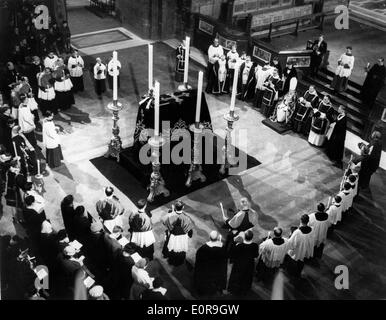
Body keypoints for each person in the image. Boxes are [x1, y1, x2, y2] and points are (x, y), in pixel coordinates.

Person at [193, 231, 227, 296]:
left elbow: (198, 262)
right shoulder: (222, 248)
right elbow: (224, 263)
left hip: (206, 272)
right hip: (217, 272)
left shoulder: (203, 248)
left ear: (210, 237)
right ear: (217, 238)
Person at [161, 200, 194, 266]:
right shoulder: (187, 218)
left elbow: (165, 223)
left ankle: (172, 260)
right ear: (183, 207)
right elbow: (189, 229)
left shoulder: (170, 217)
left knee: (173, 248)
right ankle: (180, 260)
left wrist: (171, 213)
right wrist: (190, 235)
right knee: (181, 249)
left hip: (173, 236)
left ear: (175, 208)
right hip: (183, 237)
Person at [227, 230, 259, 296]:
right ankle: (245, 290)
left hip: (239, 264)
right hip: (249, 264)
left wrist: (234, 242)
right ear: (252, 238)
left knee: (236, 277)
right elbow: (256, 255)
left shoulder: (239, 246)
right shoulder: (255, 245)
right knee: (247, 277)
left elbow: (232, 255)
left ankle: (234, 290)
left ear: (244, 237)